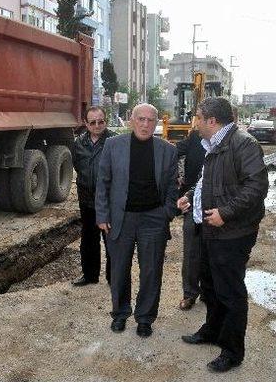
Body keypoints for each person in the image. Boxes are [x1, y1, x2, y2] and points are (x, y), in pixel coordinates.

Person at [178, 97, 268, 373]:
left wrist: (225, 213)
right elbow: (210, 183)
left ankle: (232, 351)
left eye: (198, 117)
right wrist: (191, 197)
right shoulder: (213, 145)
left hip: (232, 233)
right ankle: (212, 331)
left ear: (211, 121)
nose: (195, 122)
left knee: (230, 292)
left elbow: (256, 188)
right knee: (211, 286)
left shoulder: (243, 144)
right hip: (210, 229)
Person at [95, 103, 178, 338]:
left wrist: (166, 213)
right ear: (132, 121)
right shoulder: (113, 145)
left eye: (150, 120)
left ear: (156, 123)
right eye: (140, 119)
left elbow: (173, 187)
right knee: (119, 269)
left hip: (154, 219)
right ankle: (120, 314)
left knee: (151, 271)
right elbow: (103, 182)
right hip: (120, 219)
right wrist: (102, 215)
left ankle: (145, 318)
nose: (145, 124)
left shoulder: (167, 150)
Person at [71, 107, 117, 286]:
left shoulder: (114, 141)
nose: (97, 125)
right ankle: (90, 275)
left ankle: (113, 278)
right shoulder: (79, 143)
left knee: (111, 239)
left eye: (101, 121)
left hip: (109, 201)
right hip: (87, 199)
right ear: (85, 123)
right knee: (88, 239)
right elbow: (77, 166)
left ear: (106, 121)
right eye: (92, 122)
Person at [175, 129, 206, 310]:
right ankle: (190, 293)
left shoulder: (235, 144)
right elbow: (173, 152)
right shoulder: (196, 136)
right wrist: (175, 175)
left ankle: (210, 292)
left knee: (214, 252)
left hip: (220, 207)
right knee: (191, 251)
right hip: (192, 200)